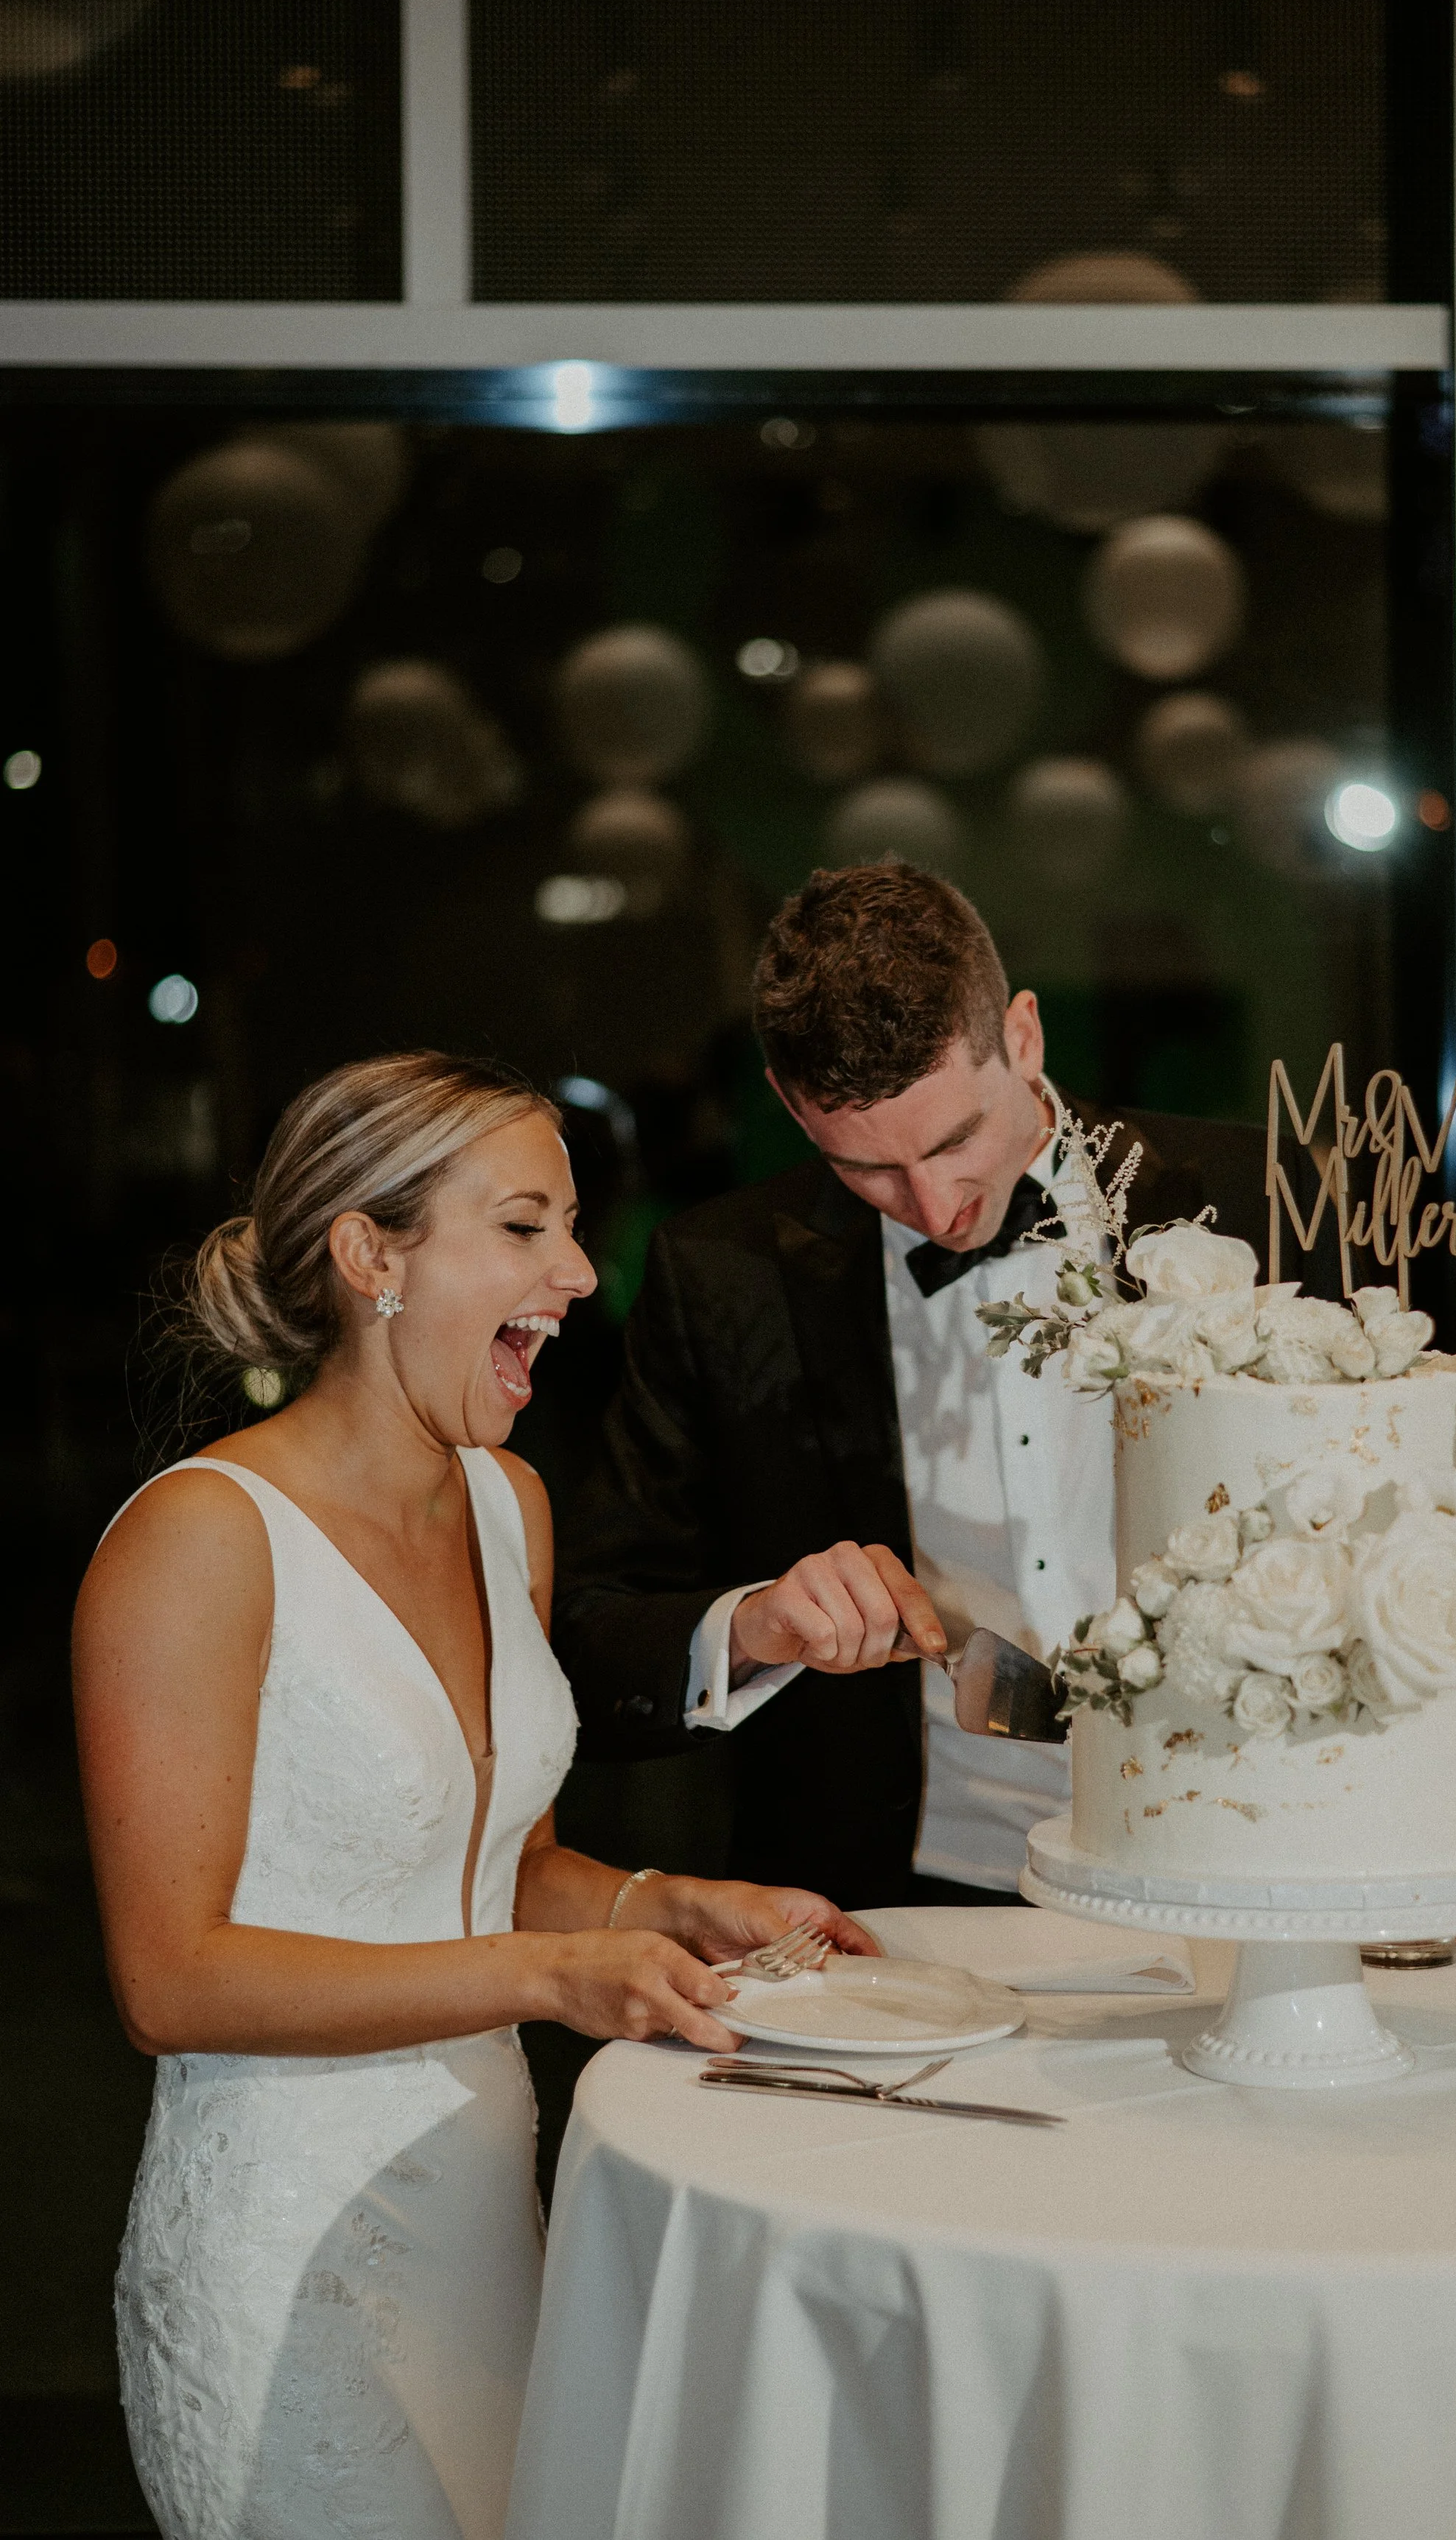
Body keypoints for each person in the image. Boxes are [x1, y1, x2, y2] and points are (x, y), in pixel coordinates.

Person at [74, 1052, 871, 2540]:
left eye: (570, 1225)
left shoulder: (509, 1505)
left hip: (489, 2223)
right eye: (521, 1228)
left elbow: (486, 1869)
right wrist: (553, 1974)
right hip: (289, 2244)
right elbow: (168, 1982)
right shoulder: (198, 1540)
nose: (575, 1271)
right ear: (370, 1254)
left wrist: (658, 1907)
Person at [556, 865, 1298, 1906]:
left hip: (1246, 1857)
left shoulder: (1265, 1198)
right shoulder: (723, 1277)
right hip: (894, 1895)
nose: (935, 1207)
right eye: (868, 1169)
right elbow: (592, 1639)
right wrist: (757, 1623)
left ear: (1025, 1038)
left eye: (957, 1139)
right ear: (786, 1103)